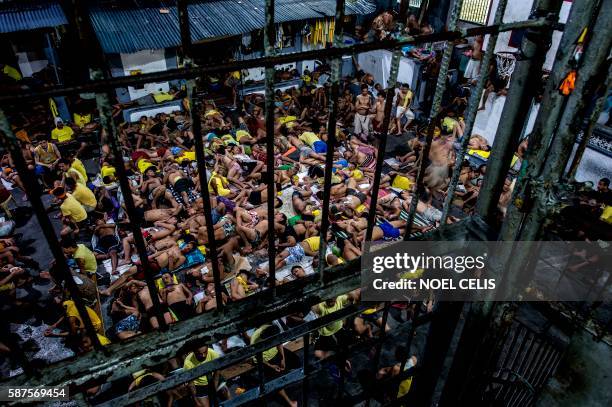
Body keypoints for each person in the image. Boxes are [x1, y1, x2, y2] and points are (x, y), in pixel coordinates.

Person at [183, 341, 224, 407]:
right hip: (199, 385)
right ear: (194, 352)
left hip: (213, 380)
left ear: (207, 349)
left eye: (205, 352)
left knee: (225, 392)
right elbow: (191, 384)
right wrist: (195, 400)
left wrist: (214, 391)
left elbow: (217, 374)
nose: (203, 355)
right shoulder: (188, 362)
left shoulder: (213, 353)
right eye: (199, 353)